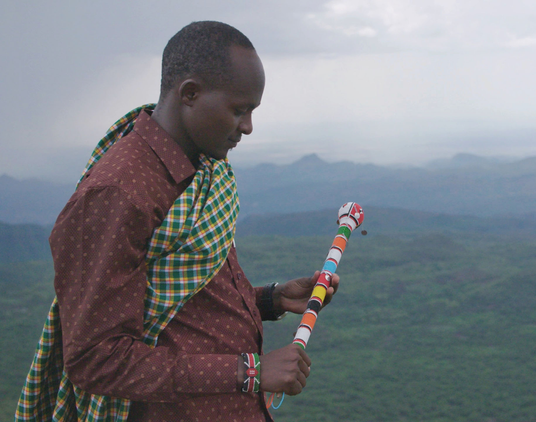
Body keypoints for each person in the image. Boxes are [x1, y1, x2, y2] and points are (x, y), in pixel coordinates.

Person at [16, 21, 337, 422]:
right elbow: (95, 358)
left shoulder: (200, 169)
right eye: (239, 110)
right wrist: (250, 371)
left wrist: (272, 300)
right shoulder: (119, 192)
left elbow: (179, 306)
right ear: (190, 94)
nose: (248, 127)